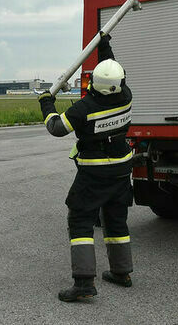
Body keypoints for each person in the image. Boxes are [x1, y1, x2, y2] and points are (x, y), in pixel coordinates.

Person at [38, 32, 134, 302]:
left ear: (94, 82)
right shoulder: (126, 96)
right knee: (116, 221)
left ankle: (83, 283)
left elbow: (56, 128)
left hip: (94, 172)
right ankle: (122, 272)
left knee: (80, 220)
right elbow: (114, 74)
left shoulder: (85, 108)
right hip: (121, 170)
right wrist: (105, 47)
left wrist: (47, 105)